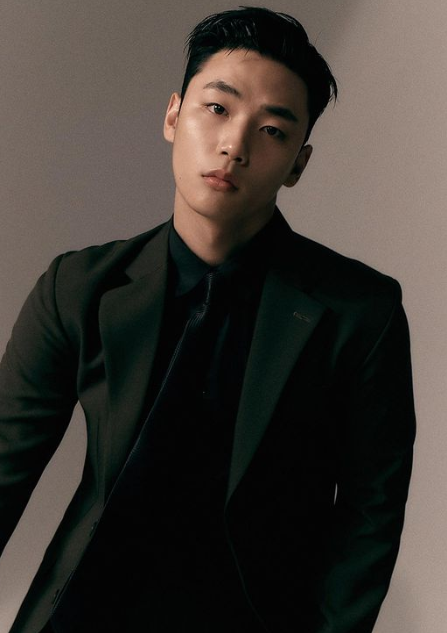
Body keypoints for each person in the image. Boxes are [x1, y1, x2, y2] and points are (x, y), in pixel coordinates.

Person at [0, 7, 415, 633]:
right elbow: (6, 463)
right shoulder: (79, 288)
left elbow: (370, 515)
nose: (234, 146)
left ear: (298, 163)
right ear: (173, 116)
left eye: (271, 130)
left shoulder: (360, 313)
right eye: (216, 108)